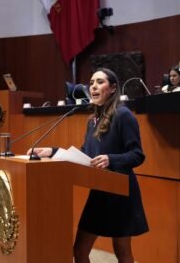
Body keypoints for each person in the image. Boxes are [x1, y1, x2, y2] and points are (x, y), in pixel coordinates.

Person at [27, 68, 148, 263]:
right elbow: (84, 156)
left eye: (100, 82)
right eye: (91, 82)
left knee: (122, 250)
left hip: (120, 192)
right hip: (99, 191)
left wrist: (111, 159)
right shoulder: (92, 120)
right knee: (80, 250)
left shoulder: (124, 115)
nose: (93, 86)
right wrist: (53, 151)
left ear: (113, 88)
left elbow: (137, 155)